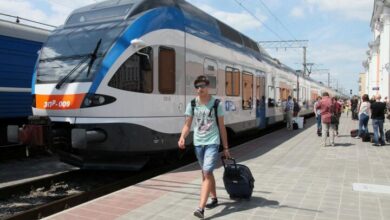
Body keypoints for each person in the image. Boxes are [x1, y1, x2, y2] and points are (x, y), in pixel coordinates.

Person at [178, 75, 230, 219]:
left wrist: (225, 147)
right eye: (197, 86)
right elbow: (187, 125)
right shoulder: (192, 104)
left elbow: (222, 127)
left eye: (202, 86)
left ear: (208, 87)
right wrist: (182, 136)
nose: (200, 89)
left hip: (212, 142)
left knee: (206, 173)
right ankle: (214, 198)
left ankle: (200, 208)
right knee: (206, 172)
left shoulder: (216, 104)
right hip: (198, 143)